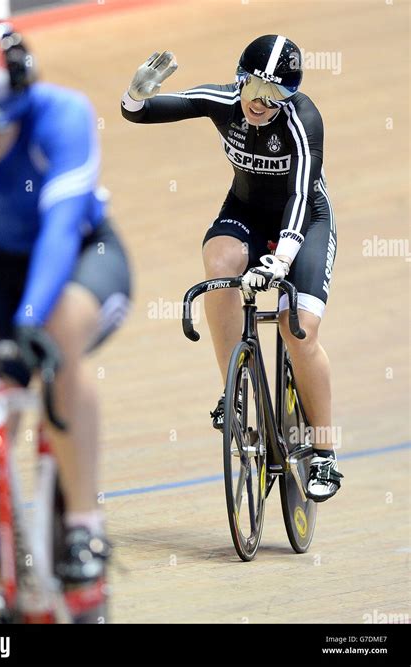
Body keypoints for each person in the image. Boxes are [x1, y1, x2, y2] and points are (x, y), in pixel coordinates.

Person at [0, 20, 131, 607]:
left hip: (77, 253)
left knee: (58, 335)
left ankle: (81, 528)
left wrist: (28, 317)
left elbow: (59, 226)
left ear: (17, 98)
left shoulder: (63, 115)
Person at [121, 35, 342, 501]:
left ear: (290, 97)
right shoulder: (222, 100)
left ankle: (324, 452)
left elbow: (301, 195)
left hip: (301, 221)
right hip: (244, 211)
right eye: (254, 89)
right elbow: (136, 114)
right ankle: (234, 390)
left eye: (275, 96)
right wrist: (136, 93)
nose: (261, 104)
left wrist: (280, 259)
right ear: (239, 79)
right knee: (219, 265)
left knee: (297, 328)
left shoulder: (304, 121)